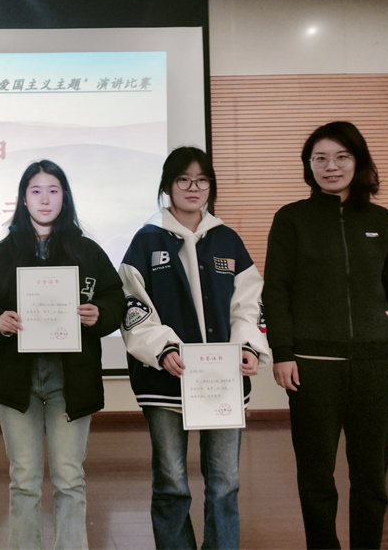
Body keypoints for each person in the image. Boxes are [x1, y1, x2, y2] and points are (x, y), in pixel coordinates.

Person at [263, 121, 388, 549]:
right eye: (320, 158)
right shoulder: (291, 219)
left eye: (341, 157)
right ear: (308, 165)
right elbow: (276, 291)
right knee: (316, 477)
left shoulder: (382, 221)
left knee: (371, 479)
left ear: (358, 161)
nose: (330, 166)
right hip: (313, 368)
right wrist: (283, 352)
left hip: (378, 366)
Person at [0, 159, 125, 550]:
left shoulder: (86, 251)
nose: (44, 199)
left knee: (69, 478)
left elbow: (115, 299)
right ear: (24, 199)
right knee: (24, 479)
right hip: (18, 377)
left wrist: (100, 313)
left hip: (71, 378)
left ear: (64, 197)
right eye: (35, 191)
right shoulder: (2, 253)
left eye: (53, 190)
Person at [119, 146, 271, 550]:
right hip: (165, 381)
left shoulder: (228, 240)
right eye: (183, 179)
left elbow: (248, 303)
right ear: (168, 186)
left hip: (223, 381)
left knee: (225, 482)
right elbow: (134, 307)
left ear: (211, 186)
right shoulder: (146, 241)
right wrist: (163, 349)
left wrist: (247, 348)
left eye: (202, 180)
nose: (193, 187)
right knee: (171, 482)